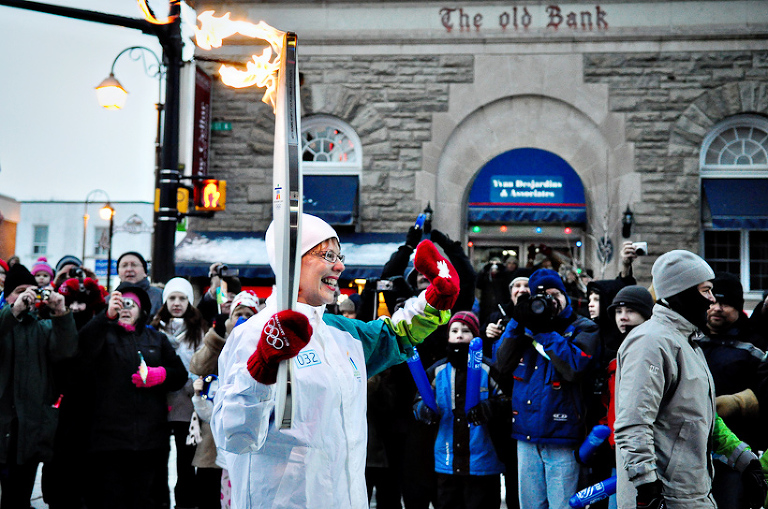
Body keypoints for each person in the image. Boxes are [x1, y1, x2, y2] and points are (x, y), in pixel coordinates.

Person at [212, 213, 458, 509]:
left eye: (340, 255)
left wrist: (434, 299)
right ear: (292, 261)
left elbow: (396, 335)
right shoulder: (253, 335)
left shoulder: (341, 333)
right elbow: (234, 436)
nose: (340, 266)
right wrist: (260, 370)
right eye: (328, 255)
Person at [614, 251, 767, 509]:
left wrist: (744, 459)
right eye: (706, 291)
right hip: (664, 496)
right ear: (680, 291)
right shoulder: (650, 342)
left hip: (692, 491)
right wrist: (646, 486)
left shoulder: (687, 342)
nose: (711, 300)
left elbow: (701, 416)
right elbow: (633, 421)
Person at [495, 268, 599, 509]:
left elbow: (574, 368)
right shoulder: (523, 328)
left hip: (563, 435)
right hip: (526, 435)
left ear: (565, 295)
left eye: (554, 294)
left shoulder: (583, 327)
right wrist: (517, 320)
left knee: (563, 505)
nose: (548, 301)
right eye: (540, 295)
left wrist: (544, 332)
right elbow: (501, 364)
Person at [76, 283, 188, 509]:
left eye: (132, 305)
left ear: (141, 310)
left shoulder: (156, 339)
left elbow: (180, 375)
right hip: (109, 439)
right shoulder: (101, 333)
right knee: (110, 499)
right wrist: (105, 316)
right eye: (122, 304)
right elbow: (82, 348)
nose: (126, 309)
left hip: (150, 439)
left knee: (146, 500)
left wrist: (161, 374)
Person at [0, 263, 78, 508]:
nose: (27, 296)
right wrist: (13, 311)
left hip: (30, 428)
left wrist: (61, 313)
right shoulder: (3, 321)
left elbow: (66, 350)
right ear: (8, 295)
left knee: (18, 497)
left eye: (32, 291)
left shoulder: (43, 327)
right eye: (20, 290)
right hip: (3, 424)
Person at [413, 311, 507, 509]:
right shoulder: (438, 370)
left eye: (466, 331)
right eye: (454, 330)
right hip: (446, 461)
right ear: (447, 336)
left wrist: (488, 408)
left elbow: (507, 401)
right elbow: (418, 401)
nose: (459, 335)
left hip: (483, 462)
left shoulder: (488, 369)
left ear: (475, 337)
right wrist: (425, 410)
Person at [700, 273, 767, 509]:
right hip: (695, 451)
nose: (717, 308)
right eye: (713, 302)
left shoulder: (755, 345)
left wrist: (741, 402)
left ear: (738, 307)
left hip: (735, 453)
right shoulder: (691, 339)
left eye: (725, 303)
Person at [189, 290, 259, 509]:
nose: (243, 320)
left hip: (242, 439)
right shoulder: (219, 339)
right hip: (213, 442)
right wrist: (220, 336)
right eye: (238, 314)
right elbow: (198, 366)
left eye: (249, 315)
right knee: (208, 496)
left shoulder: (259, 342)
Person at [150, 277, 210, 509]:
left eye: (182, 298)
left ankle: (185, 502)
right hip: (160, 405)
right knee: (159, 459)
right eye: (172, 298)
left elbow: (204, 363)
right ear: (165, 301)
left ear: (189, 301)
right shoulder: (155, 329)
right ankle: (160, 501)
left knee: (186, 461)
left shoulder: (200, 329)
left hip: (188, 406)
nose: (177, 302)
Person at [116, 251, 163, 317]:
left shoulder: (159, 296)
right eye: (124, 265)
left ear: (145, 272)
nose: (129, 269)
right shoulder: (110, 300)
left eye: (134, 265)